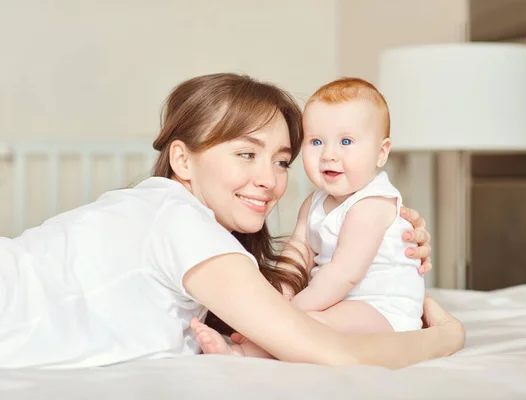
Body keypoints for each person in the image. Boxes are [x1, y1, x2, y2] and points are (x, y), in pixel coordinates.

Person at [0, 73, 464, 369]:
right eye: (246, 153)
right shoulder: (181, 225)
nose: (269, 179)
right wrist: (445, 338)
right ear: (182, 160)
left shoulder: (163, 214)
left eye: (282, 162)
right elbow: (338, 354)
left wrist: (376, 237)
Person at [191, 77, 426, 358]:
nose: (328, 154)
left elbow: (344, 274)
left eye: (346, 141)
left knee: (310, 326)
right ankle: (245, 345)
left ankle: (245, 352)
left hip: (384, 310)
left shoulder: (372, 204)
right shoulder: (313, 203)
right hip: (336, 300)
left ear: (381, 152)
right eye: (316, 141)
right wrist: (279, 294)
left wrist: (289, 311)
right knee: (300, 323)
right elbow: (296, 255)